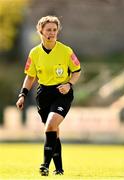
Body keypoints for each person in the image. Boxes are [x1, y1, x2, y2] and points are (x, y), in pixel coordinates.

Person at [16, 15, 81, 176]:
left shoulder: (66, 51)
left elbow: (77, 71)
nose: (52, 33)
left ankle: (44, 165)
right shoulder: (35, 53)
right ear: (40, 31)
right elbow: (30, 76)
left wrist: (69, 84)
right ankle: (59, 168)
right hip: (43, 94)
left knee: (51, 124)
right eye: (48, 30)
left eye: (54, 30)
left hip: (62, 92)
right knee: (53, 130)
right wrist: (22, 94)